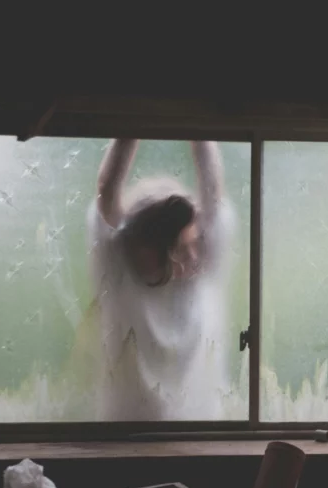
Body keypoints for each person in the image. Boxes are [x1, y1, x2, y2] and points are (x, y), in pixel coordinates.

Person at [87, 139, 234, 420]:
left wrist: (199, 124)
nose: (190, 258)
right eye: (176, 249)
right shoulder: (120, 271)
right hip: (123, 439)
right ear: (144, 247)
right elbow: (107, 192)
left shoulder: (200, 275)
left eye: (193, 242)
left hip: (202, 441)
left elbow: (212, 193)